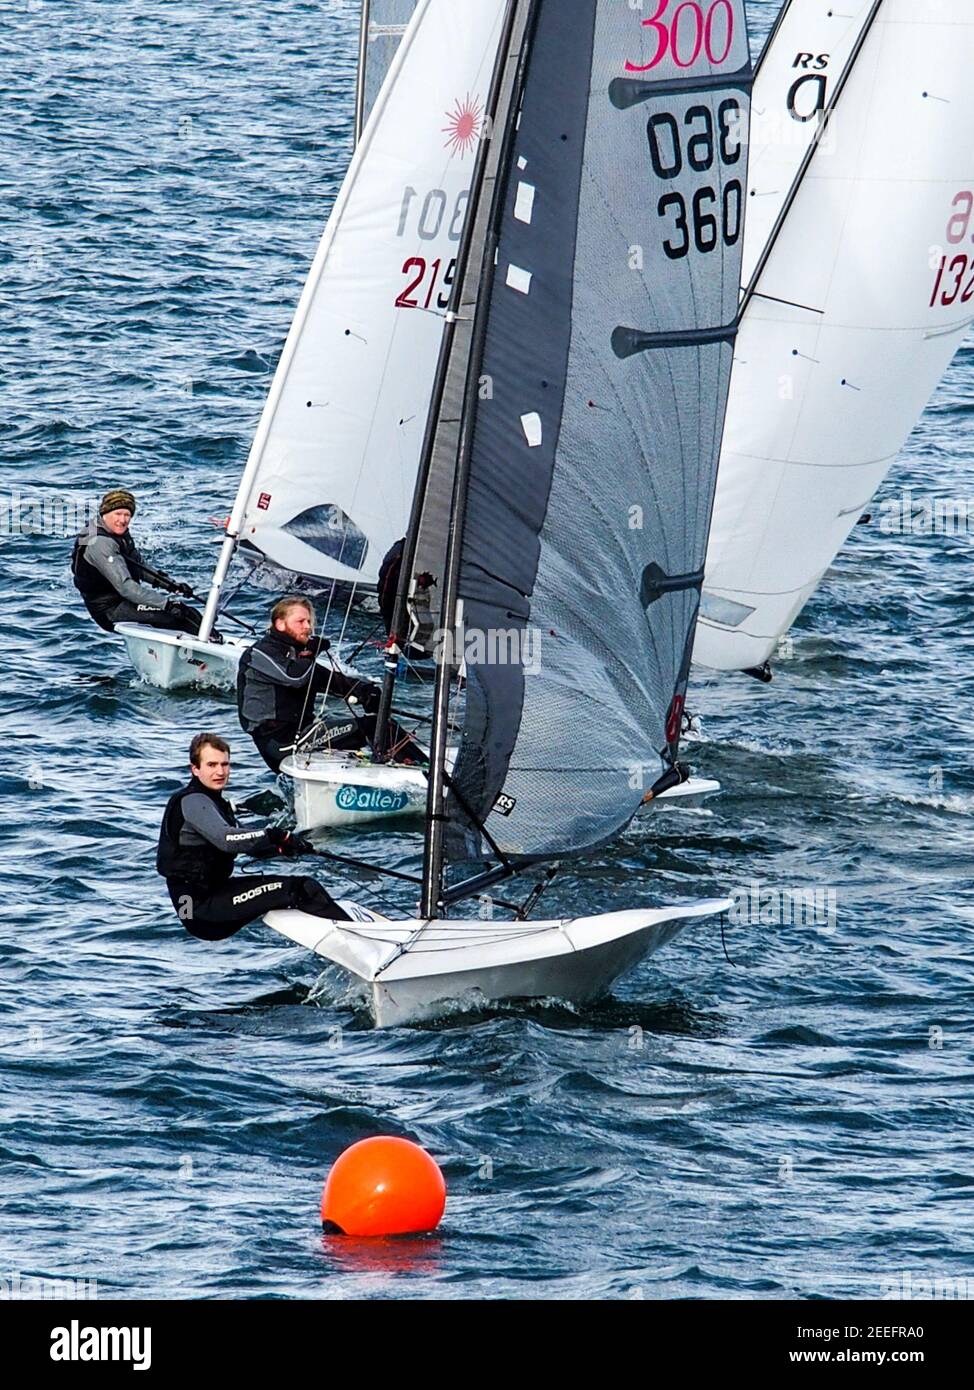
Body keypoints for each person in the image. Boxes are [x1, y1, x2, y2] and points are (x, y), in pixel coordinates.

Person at [157, 733, 351, 942]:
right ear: (195, 769)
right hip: (201, 910)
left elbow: (248, 844)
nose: (220, 772)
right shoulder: (194, 801)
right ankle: (357, 941)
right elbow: (227, 839)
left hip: (207, 899)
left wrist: (284, 848)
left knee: (296, 892)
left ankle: (339, 940)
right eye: (211, 765)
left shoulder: (214, 803)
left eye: (225, 764)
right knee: (303, 889)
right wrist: (274, 834)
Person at [237, 596, 425, 773]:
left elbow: (330, 680)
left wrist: (366, 692)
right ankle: (426, 772)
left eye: (309, 622)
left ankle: (411, 767)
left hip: (303, 736)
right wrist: (311, 653)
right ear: (280, 624)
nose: (308, 627)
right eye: (300, 621)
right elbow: (295, 678)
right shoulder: (259, 654)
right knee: (378, 727)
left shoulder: (298, 658)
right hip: (280, 742)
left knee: (382, 725)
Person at [72, 488, 208, 636]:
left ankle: (209, 643)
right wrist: (166, 604)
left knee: (189, 613)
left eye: (127, 515)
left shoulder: (119, 534)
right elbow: (126, 587)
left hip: (122, 601)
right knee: (181, 615)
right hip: (110, 610)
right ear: (104, 513)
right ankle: (204, 651)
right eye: (118, 514)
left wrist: (172, 585)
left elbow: (140, 567)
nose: (122, 520)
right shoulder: (100, 542)